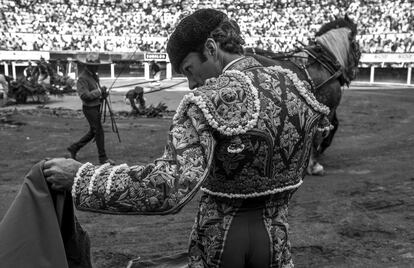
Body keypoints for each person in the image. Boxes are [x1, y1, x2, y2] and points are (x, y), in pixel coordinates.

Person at [43, 9, 330, 267]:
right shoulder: (296, 89)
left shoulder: (207, 100)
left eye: (189, 70)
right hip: (277, 242)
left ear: (211, 48)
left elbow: (169, 188)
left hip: (222, 243)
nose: (191, 83)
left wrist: (84, 178)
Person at [66, 52, 114, 165]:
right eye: (95, 65)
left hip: (95, 107)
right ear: (89, 66)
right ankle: (103, 158)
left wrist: (102, 94)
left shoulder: (94, 76)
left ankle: (74, 148)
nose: (97, 67)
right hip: (89, 109)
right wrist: (99, 92)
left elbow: (95, 93)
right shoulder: (82, 78)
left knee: (94, 131)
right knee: (99, 132)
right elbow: (84, 96)